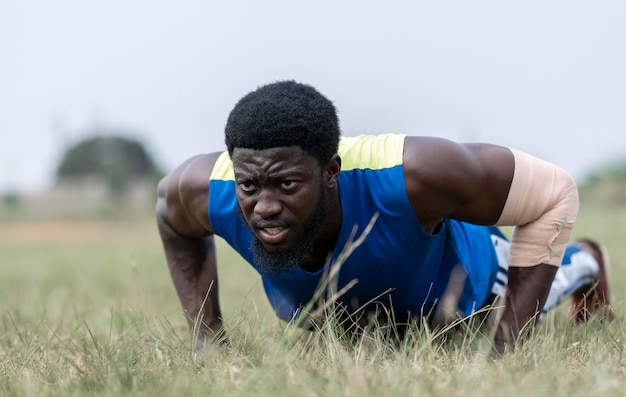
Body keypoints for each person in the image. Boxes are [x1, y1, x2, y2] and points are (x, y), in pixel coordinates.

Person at [156, 80, 614, 353]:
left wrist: (503, 350)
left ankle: (586, 261)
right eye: (250, 187)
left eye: (288, 185)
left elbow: (556, 192)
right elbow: (171, 221)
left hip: (468, 286)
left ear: (331, 171)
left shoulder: (415, 173)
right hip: (348, 313)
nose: (265, 206)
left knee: (496, 310)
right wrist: (207, 343)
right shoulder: (207, 190)